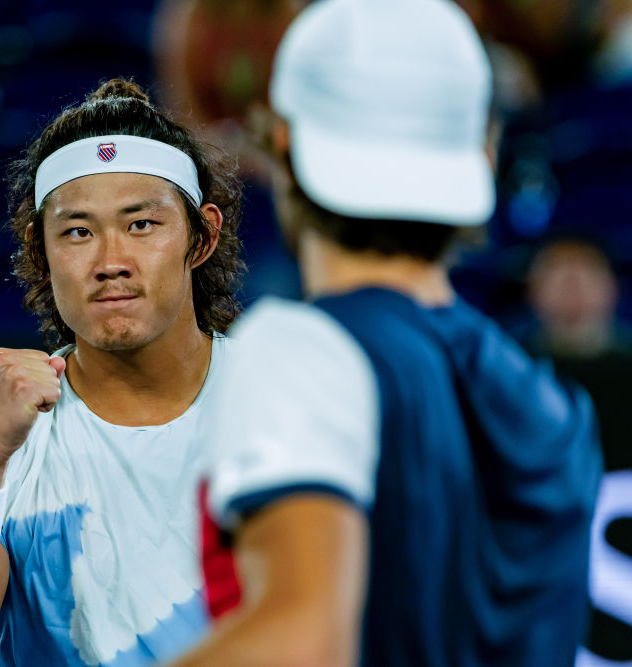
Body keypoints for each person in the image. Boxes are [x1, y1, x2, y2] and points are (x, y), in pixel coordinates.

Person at [171, 1, 603, 666]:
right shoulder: (555, 408)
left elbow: (303, 644)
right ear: (485, 153)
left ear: (281, 142)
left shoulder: (298, 349)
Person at [0, 78, 244, 666]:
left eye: (142, 225)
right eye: (78, 232)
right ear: (39, 251)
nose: (111, 262)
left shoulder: (288, 406)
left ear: (203, 237)